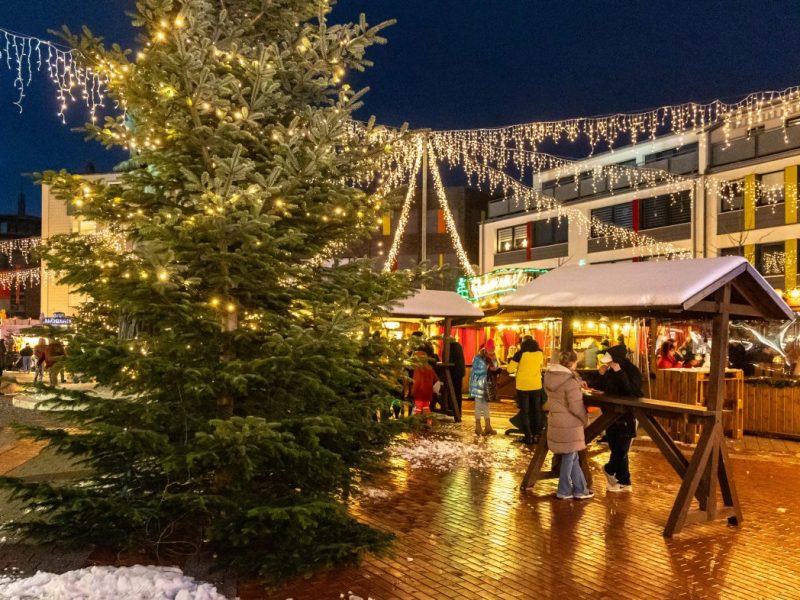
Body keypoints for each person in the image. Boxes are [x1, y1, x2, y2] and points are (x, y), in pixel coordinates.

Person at [544, 350, 593, 500]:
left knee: (572, 456)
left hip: (555, 419)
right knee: (569, 456)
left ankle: (580, 489)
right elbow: (575, 406)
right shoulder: (570, 381)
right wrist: (585, 419)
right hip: (569, 423)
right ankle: (564, 490)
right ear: (572, 363)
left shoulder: (549, 377)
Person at [595, 345, 642, 493]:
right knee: (615, 447)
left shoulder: (632, 371)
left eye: (610, 362)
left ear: (617, 360)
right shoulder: (609, 371)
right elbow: (602, 388)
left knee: (622, 447)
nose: (607, 364)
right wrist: (601, 374)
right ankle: (624, 481)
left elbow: (632, 392)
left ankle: (609, 469)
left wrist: (619, 372)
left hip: (626, 415)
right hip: (610, 414)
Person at [507, 338, 545, 444]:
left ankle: (528, 436)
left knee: (525, 411)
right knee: (537, 410)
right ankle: (537, 434)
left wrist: (513, 362)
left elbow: (510, 369)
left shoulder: (520, 354)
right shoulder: (540, 353)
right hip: (536, 385)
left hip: (523, 386)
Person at [469, 348, 496, 435]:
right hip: (479, 384)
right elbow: (476, 371)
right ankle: (478, 427)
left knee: (485, 406)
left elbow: (495, 368)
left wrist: (494, 358)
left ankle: (487, 426)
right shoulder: (478, 359)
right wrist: (488, 365)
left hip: (484, 385)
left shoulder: (486, 359)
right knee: (479, 406)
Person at [410, 350, 438, 417]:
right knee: (426, 407)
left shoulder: (418, 369)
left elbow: (417, 381)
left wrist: (413, 391)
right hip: (428, 392)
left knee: (418, 408)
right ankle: (429, 422)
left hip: (419, 392)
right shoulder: (430, 368)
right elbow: (436, 378)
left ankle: (416, 423)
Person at [448, 338, 466, 416]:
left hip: (453, 373)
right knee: (458, 393)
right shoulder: (458, 346)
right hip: (459, 373)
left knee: (452, 393)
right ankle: (458, 411)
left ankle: (452, 410)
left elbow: (449, 361)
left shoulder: (451, 347)